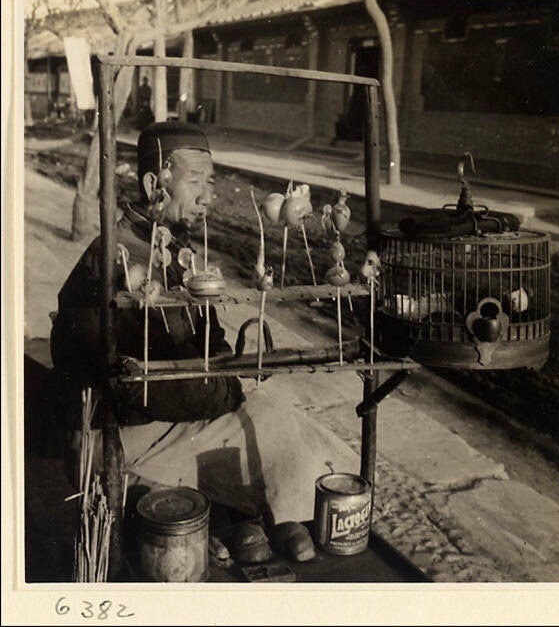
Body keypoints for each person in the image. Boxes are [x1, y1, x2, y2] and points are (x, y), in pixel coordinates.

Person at [51, 121, 359, 563]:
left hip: (169, 415)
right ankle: (295, 519)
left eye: (210, 183)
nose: (208, 196)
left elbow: (208, 340)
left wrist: (231, 363)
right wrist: (234, 385)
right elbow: (157, 386)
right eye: (196, 181)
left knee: (278, 409)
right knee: (275, 424)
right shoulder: (117, 260)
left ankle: (286, 514)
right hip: (117, 437)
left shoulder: (172, 251)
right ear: (154, 183)